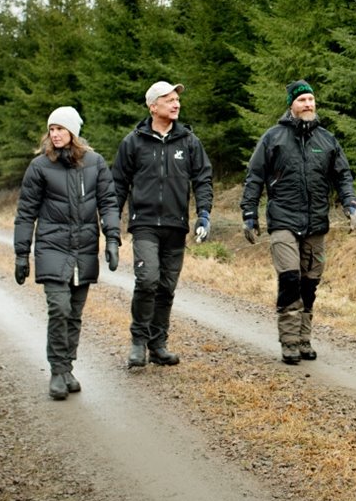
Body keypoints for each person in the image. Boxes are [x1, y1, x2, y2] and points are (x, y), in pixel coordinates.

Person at [240, 80, 356, 364]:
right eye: (302, 100)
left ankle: (305, 339)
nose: (308, 104)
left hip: (316, 223)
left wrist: (350, 203)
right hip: (283, 221)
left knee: (309, 284)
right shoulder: (273, 138)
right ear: (291, 104)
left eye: (311, 99)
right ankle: (290, 342)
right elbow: (255, 177)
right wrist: (249, 214)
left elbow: (342, 175)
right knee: (290, 278)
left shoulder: (327, 140)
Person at [13, 106, 120, 400]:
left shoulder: (95, 163)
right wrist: (22, 253)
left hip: (84, 248)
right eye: (52, 129)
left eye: (60, 128)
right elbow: (25, 213)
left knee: (74, 314)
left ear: (73, 132)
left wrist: (112, 239)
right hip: (52, 246)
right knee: (59, 308)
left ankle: (68, 367)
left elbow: (109, 202)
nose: (55, 134)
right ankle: (57, 371)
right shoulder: (39, 166)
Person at [112, 81, 213, 367]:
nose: (176, 104)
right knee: (147, 280)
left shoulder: (189, 141)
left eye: (177, 99)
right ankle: (137, 342)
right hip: (144, 223)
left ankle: (158, 344)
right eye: (169, 99)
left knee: (167, 287)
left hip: (176, 224)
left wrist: (203, 213)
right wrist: (110, 225)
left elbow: (203, 178)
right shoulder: (133, 142)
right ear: (152, 106)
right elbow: (118, 184)